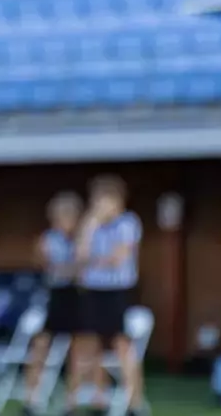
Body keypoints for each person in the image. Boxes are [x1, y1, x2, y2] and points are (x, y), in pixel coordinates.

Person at [75, 175, 145, 416]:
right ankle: (99, 399)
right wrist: (90, 225)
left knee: (122, 346)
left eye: (105, 200)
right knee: (93, 345)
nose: (100, 206)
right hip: (94, 291)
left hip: (118, 291)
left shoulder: (128, 223)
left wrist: (94, 262)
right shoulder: (90, 224)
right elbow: (80, 256)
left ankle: (135, 403)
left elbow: (117, 259)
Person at [25, 192, 82, 416]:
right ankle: (32, 399)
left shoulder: (84, 238)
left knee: (77, 352)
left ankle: (71, 403)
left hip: (77, 295)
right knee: (40, 347)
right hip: (55, 295)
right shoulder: (48, 239)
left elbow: (82, 269)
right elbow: (44, 264)